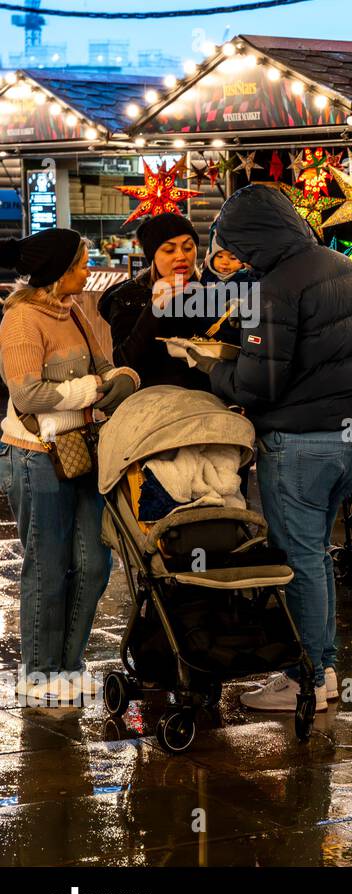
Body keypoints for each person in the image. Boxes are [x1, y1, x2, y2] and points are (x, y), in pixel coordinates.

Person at [199, 185, 352, 713]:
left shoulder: (276, 287)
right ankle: (325, 668)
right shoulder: (343, 268)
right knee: (316, 558)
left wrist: (211, 366)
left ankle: (308, 680)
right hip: (344, 441)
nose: (237, 256)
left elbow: (259, 384)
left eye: (236, 244)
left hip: (296, 446)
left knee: (298, 563)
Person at [0, 229, 140, 705]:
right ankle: (39, 673)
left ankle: (69, 664)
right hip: (36, 455)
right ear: (60, 271)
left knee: (93, 563)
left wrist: (123, 378)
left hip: (83, 451)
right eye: (82, 262)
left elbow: (105, 366)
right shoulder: (21, 319)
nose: (88, 268)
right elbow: (27, 396)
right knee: (48, 565)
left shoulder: (73, 310)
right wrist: (89, 392)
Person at [100, 213, 230, 391]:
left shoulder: (209, 291)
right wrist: (154, 308)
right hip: (152, 405)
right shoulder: (129, 297)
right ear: (152, 256)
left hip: (206, 403)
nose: (181, 256)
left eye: (188, 247)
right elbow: (125, 362)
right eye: (169, 250)